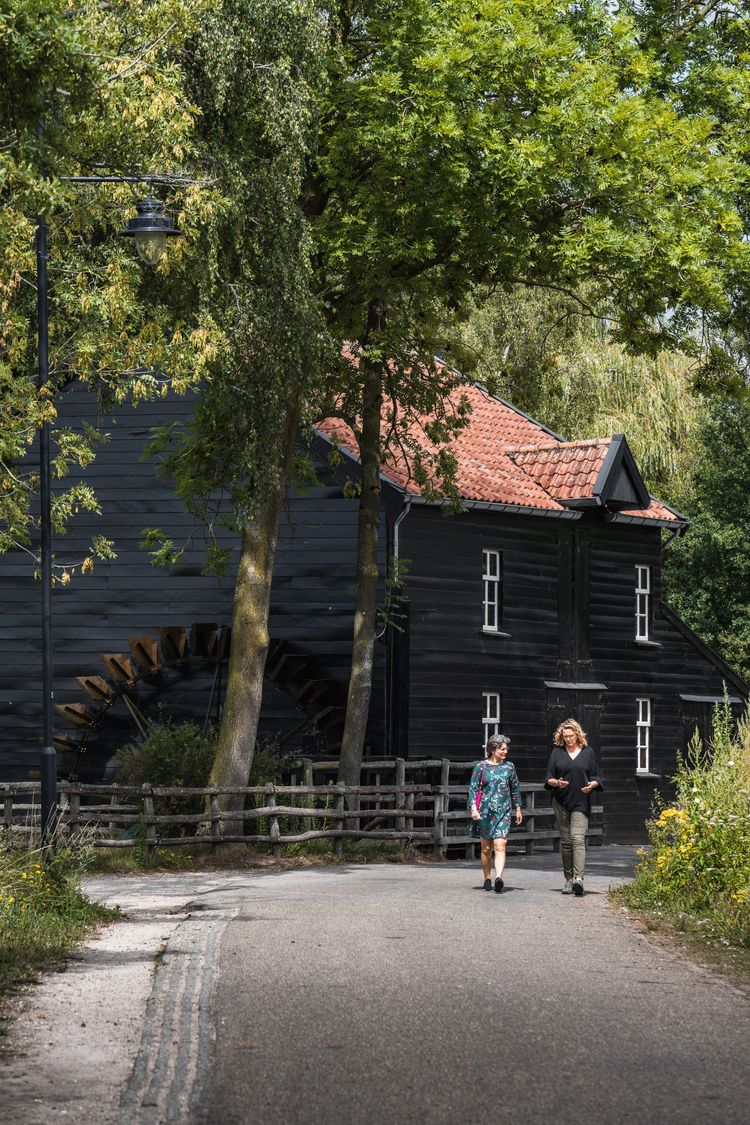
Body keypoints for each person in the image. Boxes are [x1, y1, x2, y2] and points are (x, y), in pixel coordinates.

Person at [544, 718, 604, 896]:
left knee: (578, 839)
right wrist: (557, 783)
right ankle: (568, 880)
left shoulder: (588, 752)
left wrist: (591, 785)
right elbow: (548, 778)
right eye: (565, 736)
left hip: (581, 802)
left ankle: (579, 879)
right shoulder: (557, 753)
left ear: (577, 735)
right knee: (567, 842)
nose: (568, 739)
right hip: (561, 802)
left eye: (571, 736)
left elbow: (597, 777)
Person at [468, 733, 523, 893]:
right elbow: (473, 789)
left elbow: (515, 788)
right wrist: (473, 808)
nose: (505, 752)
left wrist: (518, 807)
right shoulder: (481, 767)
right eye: (502, 749)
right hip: (484, 812)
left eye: (506, 749)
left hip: (503, 812)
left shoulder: (509, 767)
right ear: (492, 749)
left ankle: (498, 877)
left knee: (501, 844)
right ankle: (487, 877)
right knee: (486, 848)